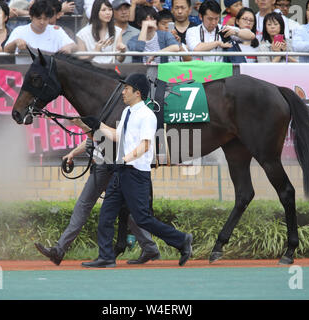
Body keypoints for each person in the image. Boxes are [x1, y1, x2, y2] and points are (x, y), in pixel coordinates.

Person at [72, 73, 193, 268]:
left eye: (126, 88)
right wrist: (93, 125)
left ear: (137, 92)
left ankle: (182, 240)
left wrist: (124, 159)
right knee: (106, 214)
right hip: (121, 172)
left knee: (143, 218)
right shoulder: (128, 113)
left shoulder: (147, 115)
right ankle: (106, 257)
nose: (123, 92)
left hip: (136, 174)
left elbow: (145, 146)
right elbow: (117, 136)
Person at [35, 138, 162, 266]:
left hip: (106, 167)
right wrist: (73, 152)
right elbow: (92, 136)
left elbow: (97, 134)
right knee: (127, 209)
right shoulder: (101, 124)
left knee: (84, 206)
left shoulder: (106, 122)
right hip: (109, 166)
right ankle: (150, 247)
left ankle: (59, 250)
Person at [4, 0, 77, 63]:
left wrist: (69, 47)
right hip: (25, 72)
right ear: (31, 17)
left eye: (45, 19)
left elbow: (74, 46)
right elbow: (6, 50)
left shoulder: (57, 31)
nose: (42, 22)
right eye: (39, 18)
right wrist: (15, 42)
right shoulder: (19, 30)